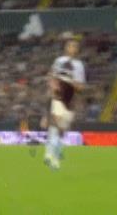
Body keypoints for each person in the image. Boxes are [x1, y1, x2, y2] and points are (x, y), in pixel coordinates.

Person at [44, 38, 86, 170]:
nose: (73, 48)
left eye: (75, 46)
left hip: (70, 100)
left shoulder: (79, 65)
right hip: (58, 98)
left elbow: (81, 87)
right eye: (70, 46)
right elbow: (51, 77)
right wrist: (53, 88)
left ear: (78, 49)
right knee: (54, 126)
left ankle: (52, 153)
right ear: (66, 48)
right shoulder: (59, 61)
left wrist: (72, 82)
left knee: (61, 131)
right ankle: (52, 157)